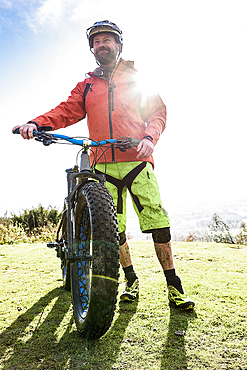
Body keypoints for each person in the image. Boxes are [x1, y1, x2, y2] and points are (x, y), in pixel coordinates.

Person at [13, 20, 195, 310]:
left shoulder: (137, 77)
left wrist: (150, 137)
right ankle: (131, 280)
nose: (102, 45)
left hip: (137, 161)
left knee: (158, 223)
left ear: (119, 45)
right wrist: (36, 123)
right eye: (96, 42)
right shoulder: (86, 86)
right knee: (113, 228)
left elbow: (157, 112)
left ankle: (174, 287)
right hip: (103, 168)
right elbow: (65, 111)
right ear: (92, 49)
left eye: (107, 40)